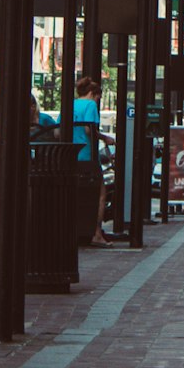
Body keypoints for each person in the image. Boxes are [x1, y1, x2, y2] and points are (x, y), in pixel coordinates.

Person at [73, 75, 113, 247]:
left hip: (70, 155)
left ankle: (77, 230)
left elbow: (57, 132)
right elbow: (89, 130)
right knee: (100, 194)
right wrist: (105, 138)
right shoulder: (89, 105)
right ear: (92, 93)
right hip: (87, 156)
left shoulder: (71, 104)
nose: (98, 101)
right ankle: (96, 232)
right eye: (98, 97)